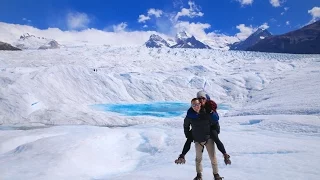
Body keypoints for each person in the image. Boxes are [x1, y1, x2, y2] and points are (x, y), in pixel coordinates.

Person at [175, 91, 231, 166]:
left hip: (210, 127)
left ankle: (225, 155)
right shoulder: (194, 108)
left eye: (203, 98)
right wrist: (187, 133)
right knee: (189, 139)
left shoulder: (210, 107)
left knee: (216, 138)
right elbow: (188, 120)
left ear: (206, 99)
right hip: (198, 128)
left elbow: (216, 119)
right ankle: (182, 156)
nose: (201, 100)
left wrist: (211, 114)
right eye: (199, 98)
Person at [183, 98, 223, 180]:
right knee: (198, 158)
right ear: (191, 106)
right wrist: (188, 135)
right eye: (193, 105)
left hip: (209, 139)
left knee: (213, 157)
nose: (196, 106)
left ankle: (216, 174)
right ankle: (199, 175)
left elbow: (215, 121)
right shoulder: (190, 116)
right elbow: (186, 126)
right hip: (198, 140)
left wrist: (216, 131)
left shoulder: (207, 112)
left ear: (200, 104)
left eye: (197, 104)